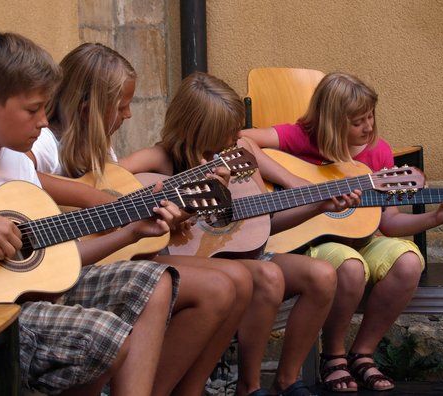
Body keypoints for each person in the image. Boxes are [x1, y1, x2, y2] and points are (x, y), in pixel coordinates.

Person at [0, 29, 189, 396]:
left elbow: (56, 261)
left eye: (45, 107)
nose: (44, 121)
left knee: (153, 279)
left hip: (18, 303)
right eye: (32, 109)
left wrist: (131, 232)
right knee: (106, 337)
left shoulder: (20, 168)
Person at [116, 71, 362, 396]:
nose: (237, 136)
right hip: (189, 262)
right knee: (268, 276)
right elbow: (110, 187)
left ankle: (285, 382)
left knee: (322, 275)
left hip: (246, 252)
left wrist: (319, 206)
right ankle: (250, 385)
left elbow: (261, 224)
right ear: (201, 130)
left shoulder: (236, 157)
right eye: (227, 131)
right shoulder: (159, 160)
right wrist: (171, 210)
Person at [29, 43, 253, 396]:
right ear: (87, 108)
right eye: (121, 106)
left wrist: (175, 216)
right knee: (218, 287)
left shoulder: (101, 150)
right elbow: (20, 178)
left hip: (108, 255)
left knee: (238, 280)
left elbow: (120, 215)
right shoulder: (42, 142)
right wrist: (95, 200)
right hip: (65, 267)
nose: (129, 115)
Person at [240, 71, 443, 392]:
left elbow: (388, 223)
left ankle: (362, 353)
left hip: (361, 239)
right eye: (358, 121)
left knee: (408, 262)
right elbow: (242, 141)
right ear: (331, 121)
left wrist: (436, 218)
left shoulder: (377, 153)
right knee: (350, 266)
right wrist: (297, 183)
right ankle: (333, 356)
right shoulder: (300, 138)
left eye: (371, 117)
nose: (369, 127)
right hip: (305, 243)